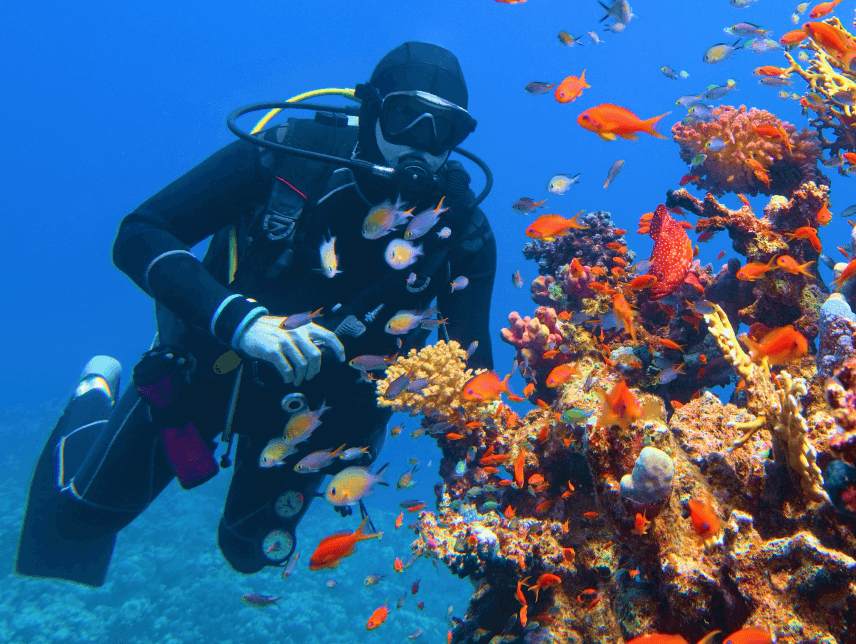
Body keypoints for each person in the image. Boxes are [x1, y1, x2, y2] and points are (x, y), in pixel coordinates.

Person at [16, 42, 496, 586]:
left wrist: (479, 473)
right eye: (406, 116)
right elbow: (141, 233)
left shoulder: (461, 232)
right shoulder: (288, 155)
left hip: (319, 415)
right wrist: (242, 323)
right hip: (207, 371)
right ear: (371, 108)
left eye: (444, 130)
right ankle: (94, 393)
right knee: (78, 523)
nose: (423, 145)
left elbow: (473, 364)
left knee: (248, 552)